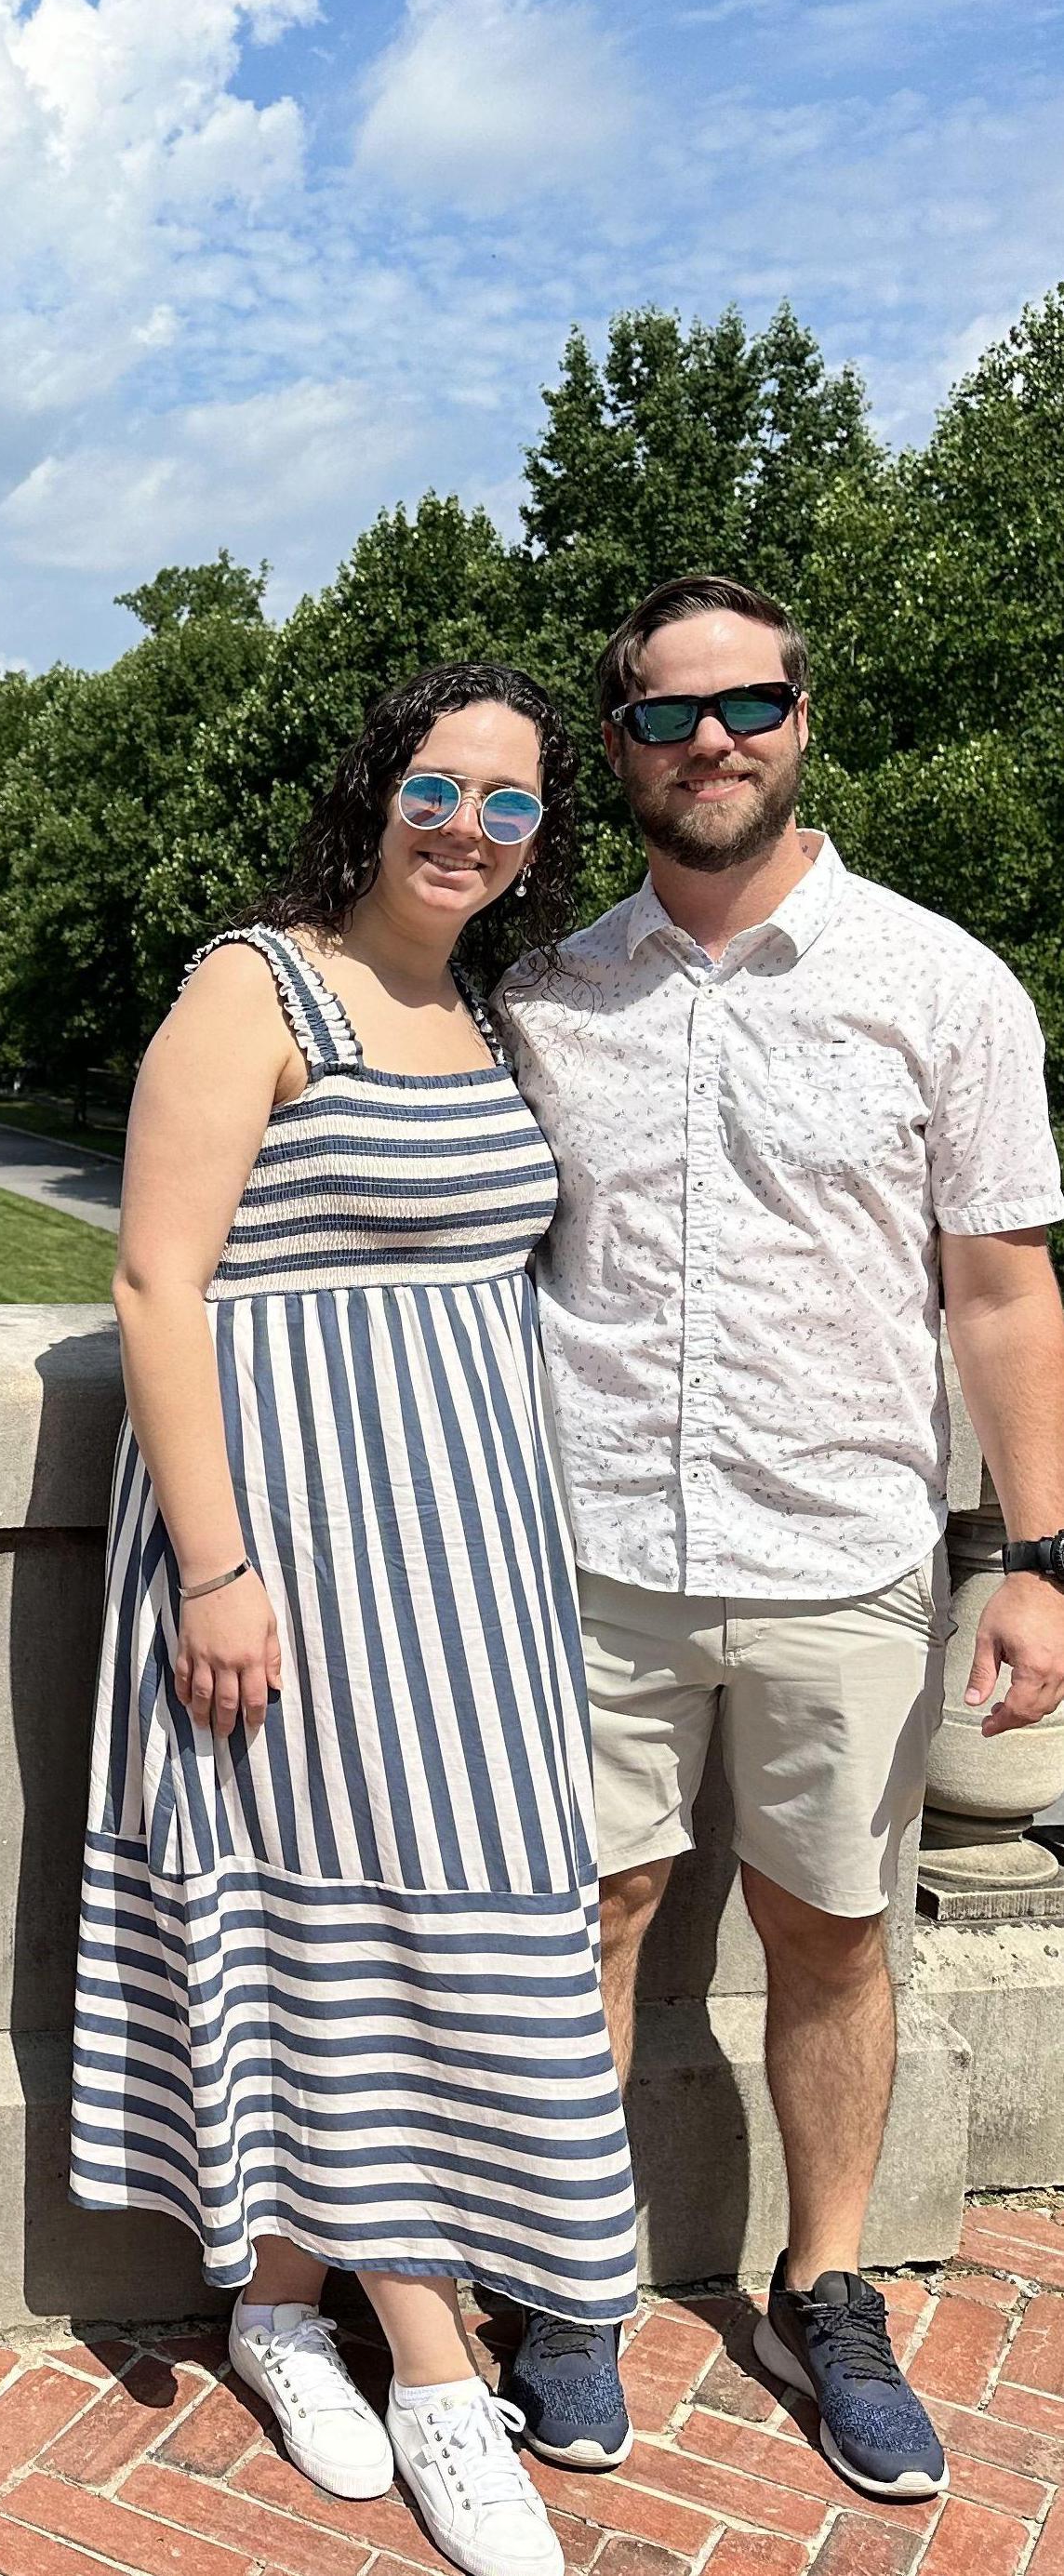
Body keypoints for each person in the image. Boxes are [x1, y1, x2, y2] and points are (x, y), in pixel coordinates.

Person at [499, 575, 1064, 2502]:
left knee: (832, 1934)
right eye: (667, 715)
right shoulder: (549, 997)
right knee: (590, 1919)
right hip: (586, 1557)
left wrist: (1047, 1558)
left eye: (748, 703)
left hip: (843, 1555)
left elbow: (999, 1294)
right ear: (622, 749)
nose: (712, 739)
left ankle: (826, 2291)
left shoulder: (942, 982)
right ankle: (575, 2285)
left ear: (804, 720)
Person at [73, 662, 631, 2576]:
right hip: (287, 1553)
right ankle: (437, 2369)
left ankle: (281, 2306)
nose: (468, 827)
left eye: (513, 805)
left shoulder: (490, 1014)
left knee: (424, 1929)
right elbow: (160, 1282)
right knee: (341, 1928)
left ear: (544, 840)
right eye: (439, 787)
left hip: (465, 1566)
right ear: (375, 791)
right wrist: (217, 1570)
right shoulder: (257, 986)